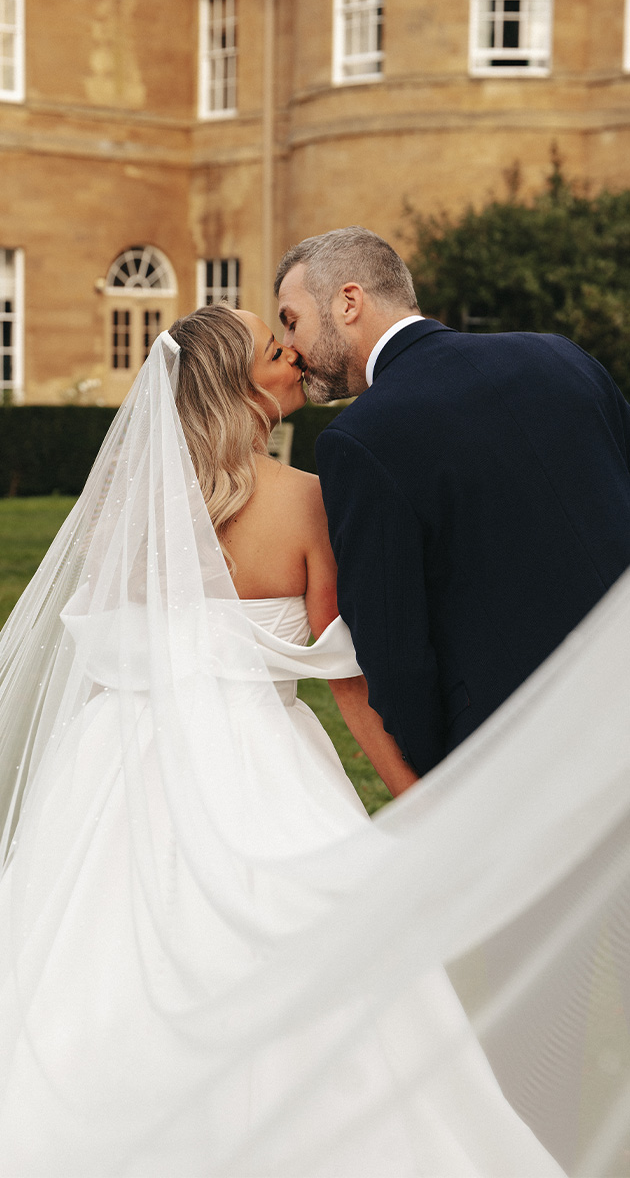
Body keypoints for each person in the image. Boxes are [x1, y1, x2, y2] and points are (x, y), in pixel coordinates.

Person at [0, 302, 628, 1177]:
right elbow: (349, 679)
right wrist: (430, 802)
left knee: (91, 971)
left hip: (117, 760)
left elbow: (103, 665)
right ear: (235, 382)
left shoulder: (119, 517)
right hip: (258, 762)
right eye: (273, 346)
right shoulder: (300, 501)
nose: (293, 352)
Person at [275, 226, 630, 777]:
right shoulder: (562, 357)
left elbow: (394, 655)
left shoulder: (360, 438)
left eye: (291, 320)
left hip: (516, 753)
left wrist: (444, 787)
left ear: (349, 301)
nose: (291, 348)